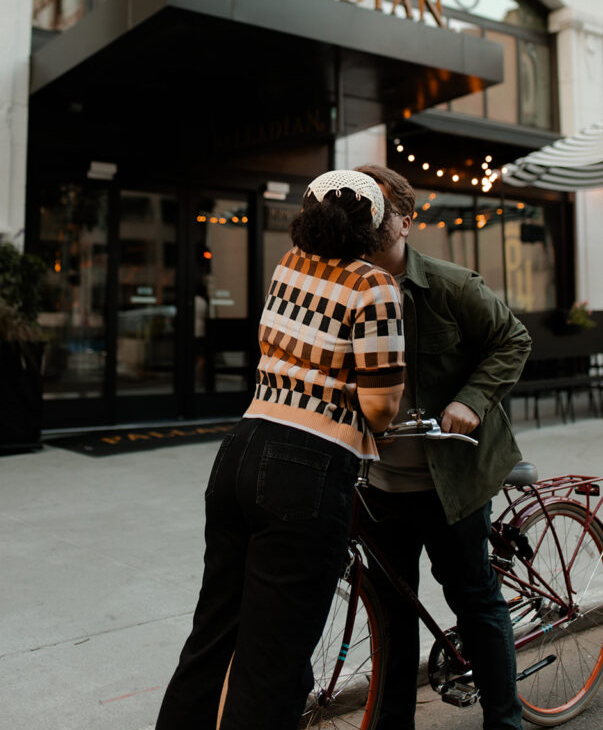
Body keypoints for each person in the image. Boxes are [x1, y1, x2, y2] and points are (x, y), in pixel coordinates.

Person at [155, 170, 406, 730]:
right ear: (370, 227)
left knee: (213, 635)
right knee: (271, 662)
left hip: (241, 449)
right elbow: (383, 406)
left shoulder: (288, 266)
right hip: (308, 467)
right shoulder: (373, 286)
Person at [355, 163, 532, 730]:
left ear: (406, 220)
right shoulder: (346, 291)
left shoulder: (452, 285)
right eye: (359, 209)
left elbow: (513, 339)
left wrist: (472, 400)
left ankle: (505, 722)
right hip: (379, 485)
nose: (370, 220)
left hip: (452, 481)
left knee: (474, 600)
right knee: (391, 615)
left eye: (380, 210)